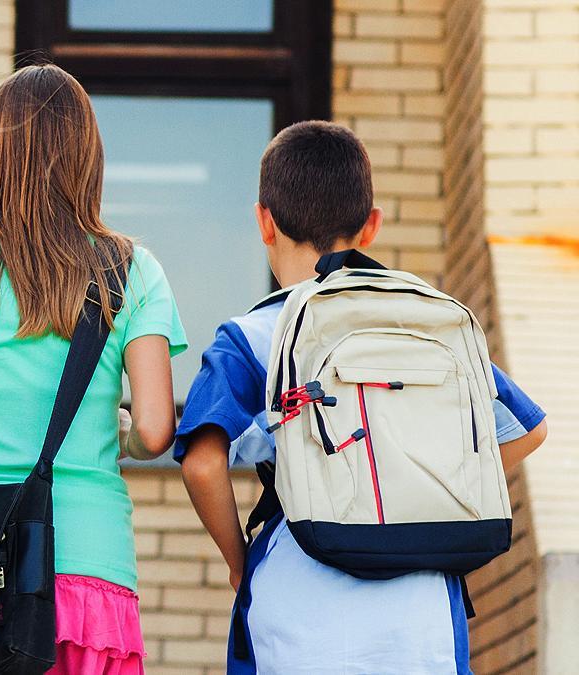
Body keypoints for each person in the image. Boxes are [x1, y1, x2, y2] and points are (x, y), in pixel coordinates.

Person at [176, 120, 549, 674]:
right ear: (371, 226)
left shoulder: (252, 336)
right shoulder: (422, 324)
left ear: (264, 222)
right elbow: (528, 430)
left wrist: (239, 563)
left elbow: (204, 464)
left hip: (298, 595)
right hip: (421, 605)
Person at [0, 64, 186, 675]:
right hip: (91, 560)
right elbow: (158, 430)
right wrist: (125, 432)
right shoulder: (132, 269)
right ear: (87, 157)